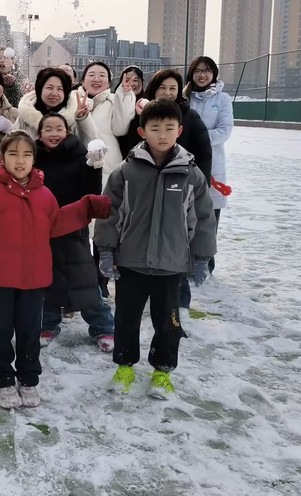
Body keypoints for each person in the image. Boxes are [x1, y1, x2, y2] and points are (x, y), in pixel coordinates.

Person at [0, 130, 111, 409]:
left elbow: (55, 223)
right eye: (13, 154)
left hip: (33, 279)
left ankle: (28, 378)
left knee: (29, 331)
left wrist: (86, 207)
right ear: (2, 158)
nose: (20, 160)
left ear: (34, 159)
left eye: (26, 154)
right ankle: (2, 377)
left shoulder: (44, 195)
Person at [95, 99, 217, 399]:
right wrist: (107, 250)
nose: (162, 135)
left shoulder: (191, 174)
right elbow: (109, 213)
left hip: (170, 265)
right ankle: (125, 367)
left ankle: (162, 372)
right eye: (155, 128)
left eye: (169, 128)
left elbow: (203, 218)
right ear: (142, 132)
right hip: (132, 262)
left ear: (179, 131)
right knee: (126, 319)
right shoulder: (126, 171)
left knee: (168, 323)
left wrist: (202, 256)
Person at [34, 113, 115, 352]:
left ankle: (103, 327)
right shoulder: (34, 157)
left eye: (59, 129)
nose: (54, 133)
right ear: (40, 134)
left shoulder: (79, 156)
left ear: (67, 132)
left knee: (84, 280)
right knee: (47, 280)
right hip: (43, 229)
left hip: (73, 227)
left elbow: (91, 193)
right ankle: (47, 324)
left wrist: (93, 167)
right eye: (48, 129)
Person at [185, 56, 234, 274]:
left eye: (206, 70)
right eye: (197, 70)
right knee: (185, 213)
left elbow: (225, 130)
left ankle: (205, 263)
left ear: (214, 73)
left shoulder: (222, 99)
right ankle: (184, 262)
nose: (202, 75)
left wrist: (198, 139)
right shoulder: (184, 97)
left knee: (208, 217)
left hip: (212, 164)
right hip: (185, 161)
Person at [13, 66, 99, 146]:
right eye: (49, 88)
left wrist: (83, 119)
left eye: (60, 89)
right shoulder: (27, 114)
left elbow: (91, 142)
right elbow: (13, 143)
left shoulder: (74, 115)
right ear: (40, 89)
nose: (54, 93)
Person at [80, 61, 136, 181]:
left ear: (109, 83)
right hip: (78, 165)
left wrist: (124, 95)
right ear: (83, 81)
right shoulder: (72, 100)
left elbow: (120, 129)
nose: (96, 79)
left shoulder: (113, 101)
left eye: (102, 75)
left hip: (108, 166)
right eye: (91, 75)